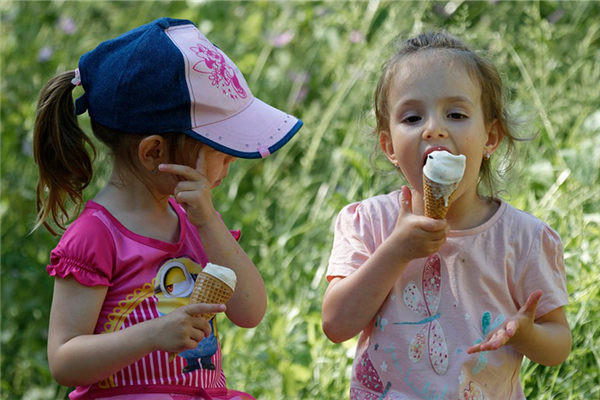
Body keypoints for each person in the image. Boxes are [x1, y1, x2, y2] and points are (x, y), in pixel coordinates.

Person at [33, 17, 302, 400]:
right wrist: (152, 335)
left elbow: (250, 311)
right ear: (154, 152)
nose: (232, 164)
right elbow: (64, 359)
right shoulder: (96, 236)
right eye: (221, 152)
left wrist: (208, 223)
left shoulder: (197, 220)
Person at [321, 32, 571, 399]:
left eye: (455, 114)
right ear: (389, 145)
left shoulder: (522, 239)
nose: (433, 128)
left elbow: (559, 342)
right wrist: (395, 251)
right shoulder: (369, 223)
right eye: (412, 117)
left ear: (490, 137)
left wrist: (528, 334)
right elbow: (336, 324)